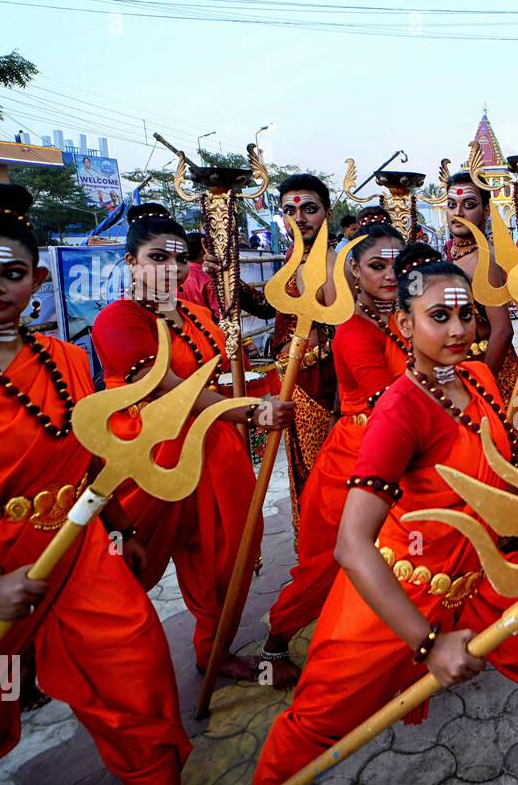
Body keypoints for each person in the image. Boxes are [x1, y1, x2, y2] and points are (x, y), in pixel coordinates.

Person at [238, 258, 518, 785]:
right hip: (402, 587)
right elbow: (352, 545)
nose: (456, 329)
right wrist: (426, 645)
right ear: (403, 324)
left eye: (464, 314)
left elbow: (487, 471)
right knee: (320, 714)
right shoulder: (398, 410)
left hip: (479, 574)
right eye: (437, 317)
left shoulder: (476, 375)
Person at [0, 182, 228, 785]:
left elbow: (85, 454)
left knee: (135, 667)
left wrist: (117, 524)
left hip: (75, 546)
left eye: (10, 273)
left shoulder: (61, 359)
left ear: (35, 279)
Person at [92, 204, 296, 686]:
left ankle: (215, 650)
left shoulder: (201, 316)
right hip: (150, 461)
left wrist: (278, 385)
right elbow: (167, 386)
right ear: (131, 263)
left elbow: (224, 380)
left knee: (226, 559)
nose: (171, 268)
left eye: (180, 258)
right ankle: (104, 667)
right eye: (157, 257)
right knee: (122, 565)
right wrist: (249, 411)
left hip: (214, 455)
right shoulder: (117, 320)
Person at [264, 225, 410, 662]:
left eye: (397, 266)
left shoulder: (401, 318)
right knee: (330, 562)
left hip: (401, 446)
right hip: (361, 457)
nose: (389, 275)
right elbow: (389, 400)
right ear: (355, 271)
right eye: (377, 266)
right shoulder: (353, 330)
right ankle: (276, 641)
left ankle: (390, 641)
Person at [271, 175, 345, 538]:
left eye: (309, 209)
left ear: (327, 213)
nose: (299, 218)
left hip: (322, 386)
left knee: (323, 482)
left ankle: (327, 571)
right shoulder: (292, 259)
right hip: (293, 384)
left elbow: (345, 340)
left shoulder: (331, 264)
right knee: (303, 479)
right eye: (290, 211)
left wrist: (337, 410)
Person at [441, 172, 518, 468]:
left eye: (468, 204)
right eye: (452, 204)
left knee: (499, 467)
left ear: (486, 210)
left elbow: (502, 330)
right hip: (463, 371)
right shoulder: (451, 260)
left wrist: (479, 386)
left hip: (492, 374)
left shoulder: (485, 259)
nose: (458, 212)